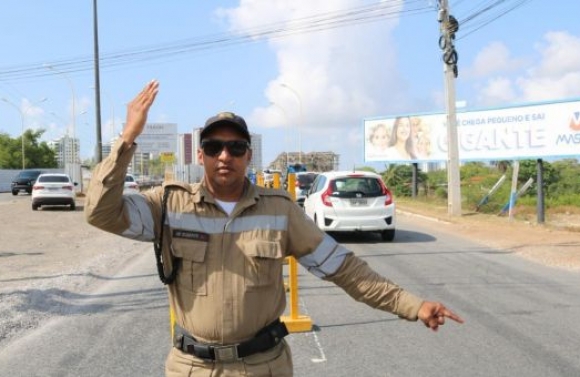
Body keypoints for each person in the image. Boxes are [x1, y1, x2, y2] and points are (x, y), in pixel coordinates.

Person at [85, 80, 463, 377]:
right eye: (214, 146)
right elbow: (100, 212)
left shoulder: (280, 211)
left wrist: (413, 305)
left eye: (236, 148)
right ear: (199, 154)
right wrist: (127, 138)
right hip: (191, 368)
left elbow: (344, 269)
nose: (224, 156)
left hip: (263, 367)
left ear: (249, 155)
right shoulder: (168, 204)